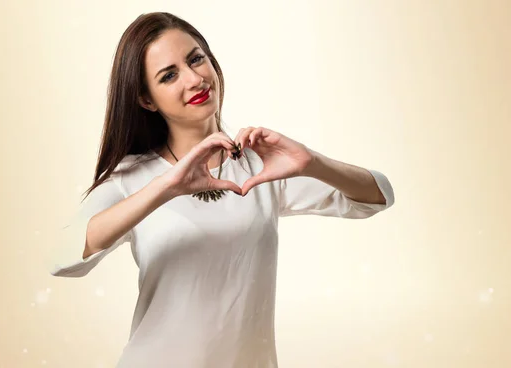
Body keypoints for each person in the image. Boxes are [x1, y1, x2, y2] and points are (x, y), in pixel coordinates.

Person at [47, 11, 395, 368]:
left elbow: (378, 195)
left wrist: (312, 162)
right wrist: (167, 186)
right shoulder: (133, 178)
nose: (195, 79)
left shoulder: (259, 166)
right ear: (147, 100)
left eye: (196, 59)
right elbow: (63, 258)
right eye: (169, 76)